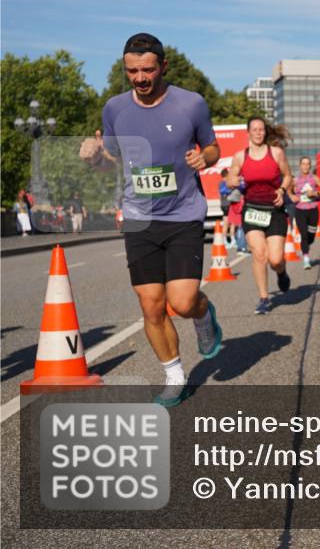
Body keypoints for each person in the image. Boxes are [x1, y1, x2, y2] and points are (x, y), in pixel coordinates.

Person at [78, 32, 223, 407]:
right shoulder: (114, 109)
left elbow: (212, 145)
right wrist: (94, 156)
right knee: (151, 304)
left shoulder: (190, 104)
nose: (140, 78)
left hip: (183, 214)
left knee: (184, 299)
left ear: (163, 67)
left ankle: (203, 315)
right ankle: (175, 377)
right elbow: (112, 162)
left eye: (147, 70)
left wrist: (205, 158)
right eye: (132, 71)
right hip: (140, 218)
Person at [227, 117, 294, 315]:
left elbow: (288, 175)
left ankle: (281, 271)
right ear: (248, 132)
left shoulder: (276, 153)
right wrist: (233, 180)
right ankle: (264, 298)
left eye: (261, 129)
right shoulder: (240, 156)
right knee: (259, 254)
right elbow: (230, 178)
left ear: (265, 132)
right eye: (254, 129)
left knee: (275, 259)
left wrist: (282, 190)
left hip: (274, 210)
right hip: (252, 210)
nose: (258, 133)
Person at [290, 156, 320, 270]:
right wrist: (292, 196)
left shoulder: (314, 178)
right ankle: (306, 258)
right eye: (303, 164)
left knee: (311, 236)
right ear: (300, 166)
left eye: (307, 164)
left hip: (313, 210)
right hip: (300, 210)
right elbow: (288, 190)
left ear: (310, 166)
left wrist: (315, 193)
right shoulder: (295, 180)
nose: (305, 166)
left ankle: (306, 246)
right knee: (304, 235)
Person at [226, 186, 248, 254]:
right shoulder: (240, 202)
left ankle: (239, 246)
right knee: (241, 233)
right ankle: (242, 248)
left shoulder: (232, 203)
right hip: (240, 221)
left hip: (235, 221)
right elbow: (240, 210)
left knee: (237, 233)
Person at [218, 169, 234, 248]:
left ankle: (229, 240)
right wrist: (231, 190)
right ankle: (228, 240)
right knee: (229, 223)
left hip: (225, 205)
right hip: (227, 205)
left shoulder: (222, 183)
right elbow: (223, 191)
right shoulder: (224, 183)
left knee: (228, 223)